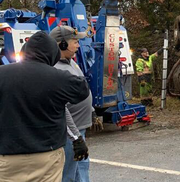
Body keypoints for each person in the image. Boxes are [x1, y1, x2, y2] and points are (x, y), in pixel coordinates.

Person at [0, 31, 90, 182]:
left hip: (7, 157)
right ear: (53, 54)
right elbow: (82, 89)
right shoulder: (58, 78)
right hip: (47, 156)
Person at [50, 26, 103, 182]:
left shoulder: (71, 63)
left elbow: (83, 89)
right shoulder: (55, 69)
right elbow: (60, 107)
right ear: (62, 44)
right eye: (75, 41)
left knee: (81, 167)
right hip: (68, 133)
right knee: (69, 173)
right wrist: (75, 138)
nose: (78, 45)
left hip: (79, 129)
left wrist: (92, 111)